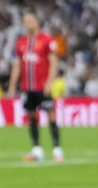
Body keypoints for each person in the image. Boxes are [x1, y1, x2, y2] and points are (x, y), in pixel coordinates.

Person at [6, 12, 63, 163]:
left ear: (37, 21)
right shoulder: (21, 42)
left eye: (31, 20)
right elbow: (17, 64)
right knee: (32, 117)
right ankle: (37, 151)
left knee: (51, 116)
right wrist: (12, 86)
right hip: (27, 87)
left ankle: (57, 150)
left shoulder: (47, 40)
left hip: (42, 86)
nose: (28, 23)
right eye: (25, 21)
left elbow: (53, 62)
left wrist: (50, 82)